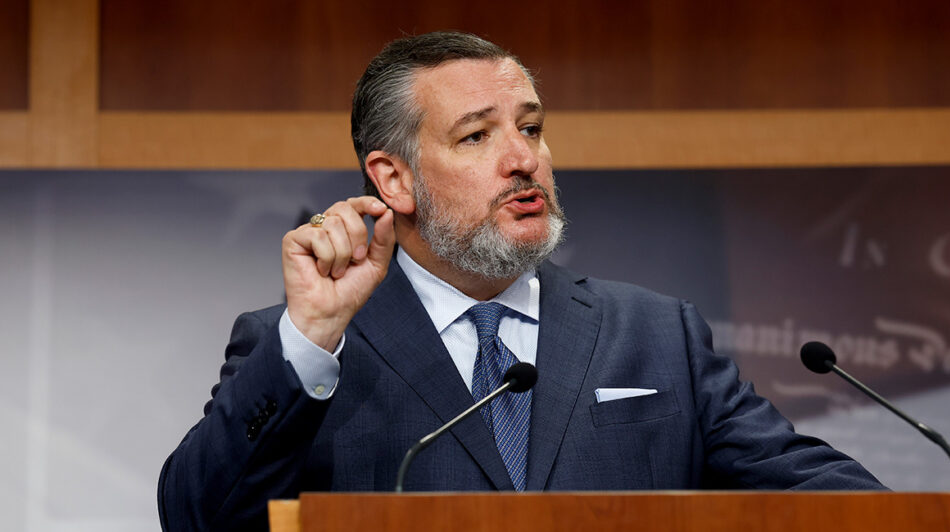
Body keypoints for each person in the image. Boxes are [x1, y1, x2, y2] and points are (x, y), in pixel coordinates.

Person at [158, 31, 884, 531]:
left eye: (530, 128)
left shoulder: (659, 335)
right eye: (477, 136)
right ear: (394, 178)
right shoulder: (306, 349)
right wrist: (313, 336)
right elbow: (200, 518)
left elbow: (831, 503)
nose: (522, 160)